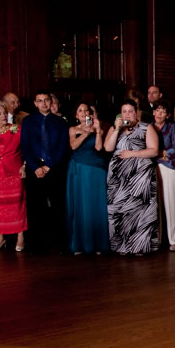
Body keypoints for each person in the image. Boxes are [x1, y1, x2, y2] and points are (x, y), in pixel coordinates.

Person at [104, 100, 159, 256]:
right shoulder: (115, 129)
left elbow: (154, 151)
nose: (128, 114)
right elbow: (108, 148)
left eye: (130, 111)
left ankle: (139, 247)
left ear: (137, 112)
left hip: (140, 177)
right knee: (119, 210)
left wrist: (132, 154)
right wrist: (116, 129)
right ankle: (121, 246)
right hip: (118, 178)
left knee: (139, 210)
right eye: (124, 111)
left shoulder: (146, 128)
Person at [20, 90, 69, 254]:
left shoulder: (60, 122)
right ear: (35, 103)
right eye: (40, 101)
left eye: (46, 100)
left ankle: (60, 243)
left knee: (58, 206)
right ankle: (35, 244)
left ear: (51, 102)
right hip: (35, 168)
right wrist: (35, 167)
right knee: (35, 206)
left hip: (54, 168)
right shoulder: (28, 122)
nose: (44, 103)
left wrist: (48, 166)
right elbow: (25, 146)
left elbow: (63, 147)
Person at [0, 100, 27, 252]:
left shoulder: (15, 129)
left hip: (14, 173)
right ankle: (0, 238)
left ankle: (20, 237)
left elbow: (27, 148)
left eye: (5, 113)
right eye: (0, 113)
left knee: (17, 206)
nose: (4, 116)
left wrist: (24, 165)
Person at [66, 103, 109, 255]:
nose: (84, 113)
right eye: (80, 111)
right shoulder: (72, 129)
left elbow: (98, 148)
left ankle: (99, 244)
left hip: (97, 170)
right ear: (76, 115)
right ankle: (81, 244)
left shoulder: (99, 129)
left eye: (86, 110)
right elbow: (73, 146)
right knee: (81, 205)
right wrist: (85, 133)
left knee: (97, 205)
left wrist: (96, 131)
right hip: (80, 170)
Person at [153, 103, 175, 251]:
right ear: (153, 112)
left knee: (171, 204)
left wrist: (157, 153)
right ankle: (156, 239)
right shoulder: (148, 127)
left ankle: (173, 240)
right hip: (152, 167)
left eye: (163, 111)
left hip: (169, 167)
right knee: (153, 205)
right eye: (158, 110)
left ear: (168, 115)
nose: (160, 114)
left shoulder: (172, 128)